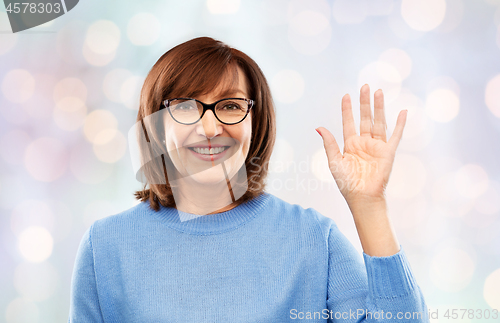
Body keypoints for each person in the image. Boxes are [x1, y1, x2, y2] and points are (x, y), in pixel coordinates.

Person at [68, 37, 429, 322]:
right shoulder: (105, 248)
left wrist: (369, 205)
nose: (210, 128)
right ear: (156, 126)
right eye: (185, 106)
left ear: (256, 122)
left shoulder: (314, 240)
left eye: (230, 105)